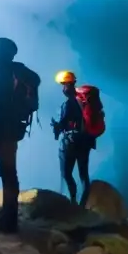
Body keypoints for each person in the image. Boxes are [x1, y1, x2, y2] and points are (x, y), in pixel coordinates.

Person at [0, 37, 40, 233]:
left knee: (8, 172)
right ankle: (7, 214)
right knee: (8, 171)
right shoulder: (18, 72)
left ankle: (9, 219)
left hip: (4, 127)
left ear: (3, 54)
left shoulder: (3, 73)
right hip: (13, 127)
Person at [52, 70, 91, 206]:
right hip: (86, 141)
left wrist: (56, 126)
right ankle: (83, 204)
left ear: (68, 85)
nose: (63, 88)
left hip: (71, 141)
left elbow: (62, 124)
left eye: (64, 85)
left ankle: (73, 203)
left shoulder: (68, 104)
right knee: (83, 175)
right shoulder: (84, 102)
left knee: (67, 173)